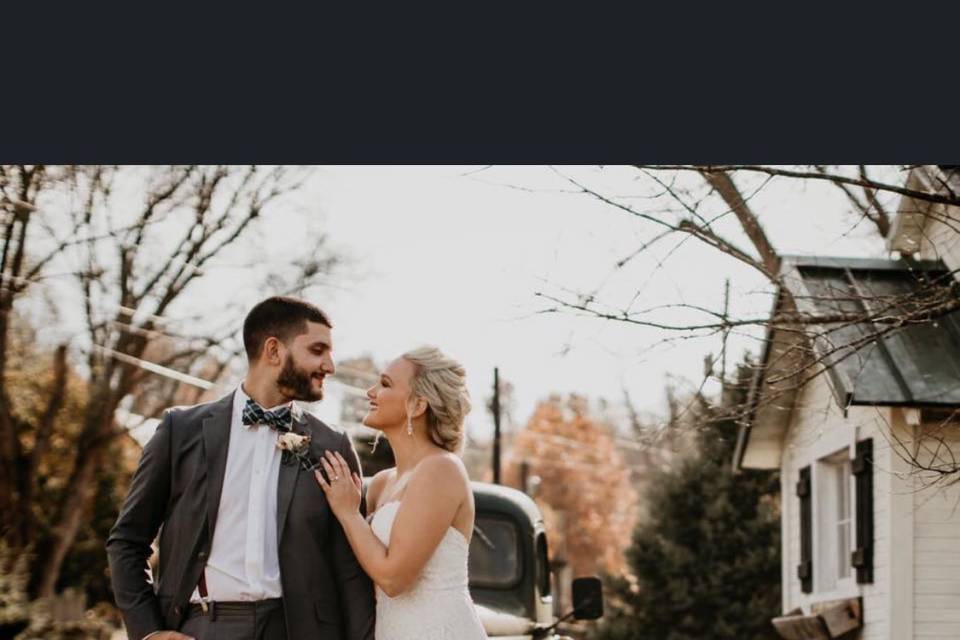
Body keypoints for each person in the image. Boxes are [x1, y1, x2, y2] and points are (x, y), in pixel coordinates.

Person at [107, 296, 375, 640]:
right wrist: (148, 632)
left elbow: (350, 570)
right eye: (318, 350)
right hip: (202, 627)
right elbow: (127, 541)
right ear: (273, 350)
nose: (330, 366)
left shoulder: (332, 446)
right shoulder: (180, 431)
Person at [315, 346, 488, 640]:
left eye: (384, 384)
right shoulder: (382, 483)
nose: (370, 392)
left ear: (417, 405)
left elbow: (394, 579)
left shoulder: (442, 469)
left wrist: (347, 512)